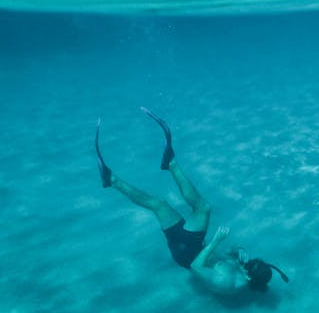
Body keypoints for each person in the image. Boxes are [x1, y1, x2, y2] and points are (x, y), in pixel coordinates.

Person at [95, 107, 288, 295]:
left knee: (203, 207)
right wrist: (240, 251)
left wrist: (214, 242)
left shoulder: (226, 283)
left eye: (249, 266)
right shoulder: (245, 268)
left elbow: (196, 268)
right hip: (194, 247)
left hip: (187, 255)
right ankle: (111, 180)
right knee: (159, 204)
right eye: (253, 261)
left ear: (248, 278)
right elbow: (228, 253)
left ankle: (170, 163)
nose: (248, 263)